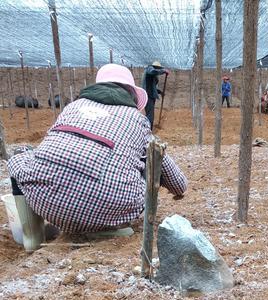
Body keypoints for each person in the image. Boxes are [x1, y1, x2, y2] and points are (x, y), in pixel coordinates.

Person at [7, 64, 187, 237]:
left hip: (46, 203)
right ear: (131, 93)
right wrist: (178, 189)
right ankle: (111, 224)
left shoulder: (71, 108)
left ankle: (32, 236)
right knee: (144, 159)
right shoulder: (135, 119)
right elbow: (164, 165)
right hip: (110, 206)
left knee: (20, 156)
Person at [141, 61, 169, 129]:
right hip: (148, 96)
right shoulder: (149, 69)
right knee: (150, 115)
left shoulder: (152, 75)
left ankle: (147, 129)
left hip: (150, 96)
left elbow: (152, 86)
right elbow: (153, 71)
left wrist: (160, 92)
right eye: (158, 68)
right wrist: (163, 71)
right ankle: (149, 131)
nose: (158, 70)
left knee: (149, 114)